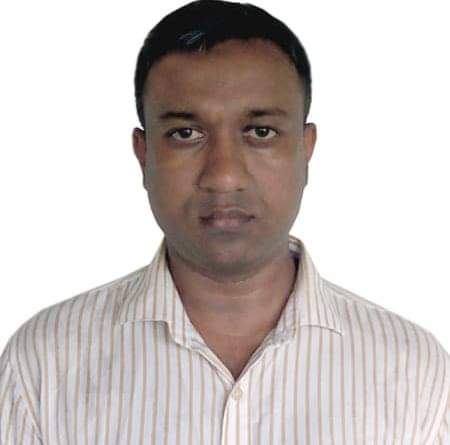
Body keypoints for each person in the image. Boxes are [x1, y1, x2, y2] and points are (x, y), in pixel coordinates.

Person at [1, 0, 448, 443]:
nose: (224, 175)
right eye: (185, 134)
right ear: (143, 155)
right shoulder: (42, 365)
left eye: (260, 132)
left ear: (305, 149)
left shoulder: (414, 375)